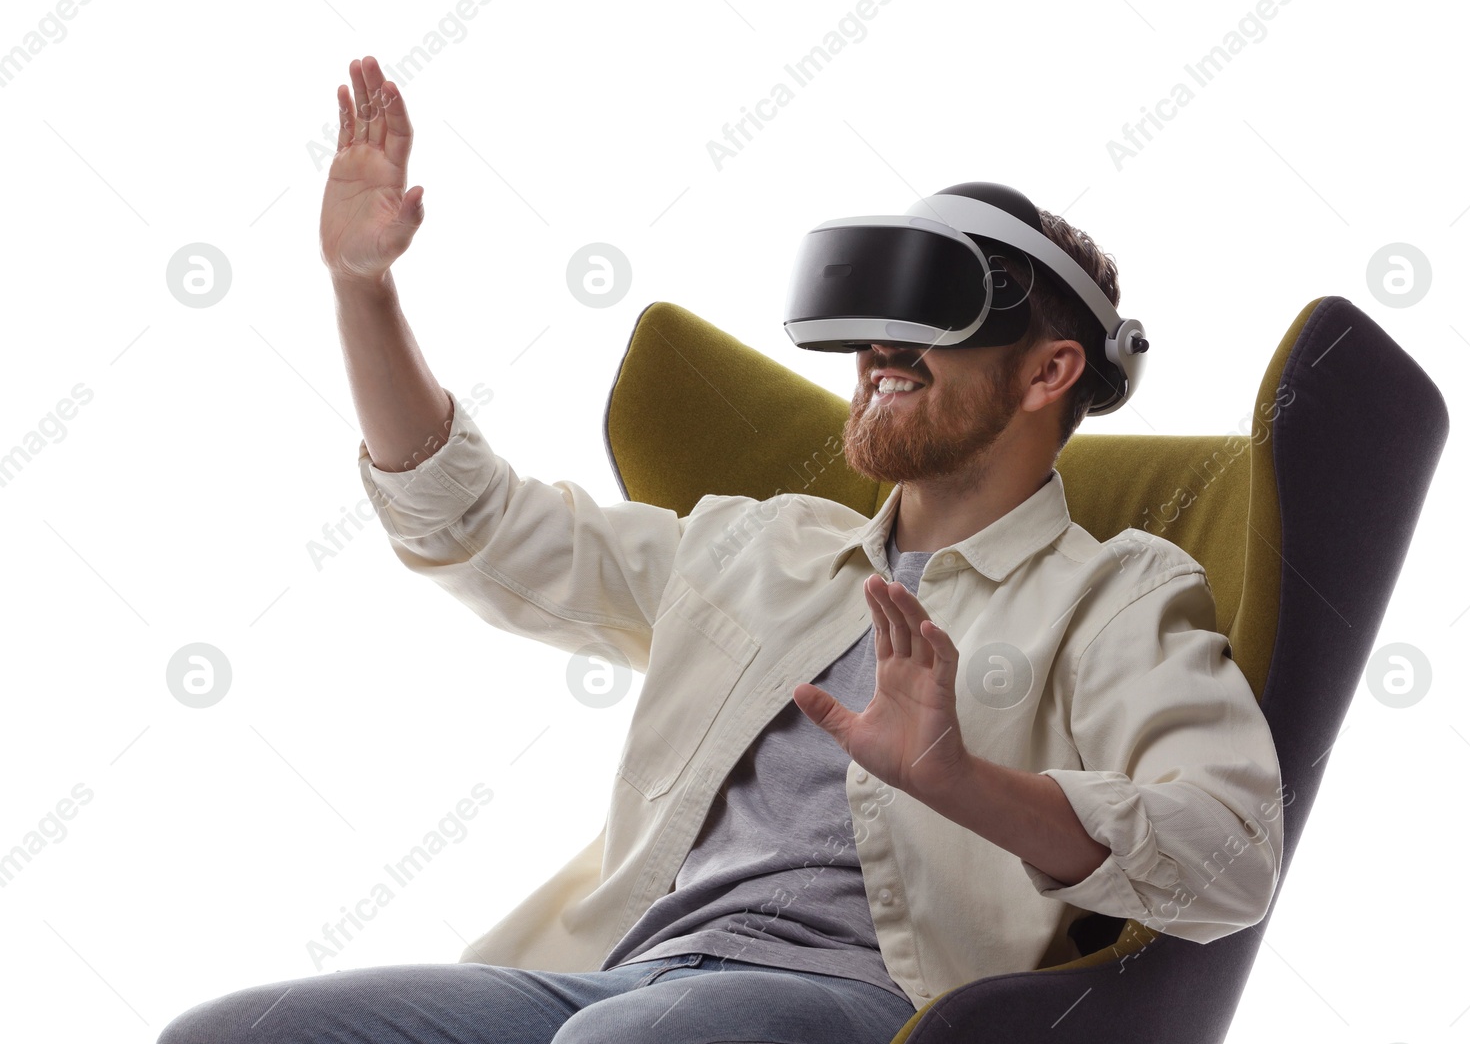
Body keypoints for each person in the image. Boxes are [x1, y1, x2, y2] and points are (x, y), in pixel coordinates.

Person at [157, 56, 1284, 1044]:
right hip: (619, 976)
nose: (882, 343)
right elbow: (475, 526)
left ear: (1048, 372)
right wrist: (364, 290)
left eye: (937, 307)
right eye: (879, 303)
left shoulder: (1118, 592)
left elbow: (1229, 855)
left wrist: (961, 780)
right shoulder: (756, 546)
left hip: (860, 1001)